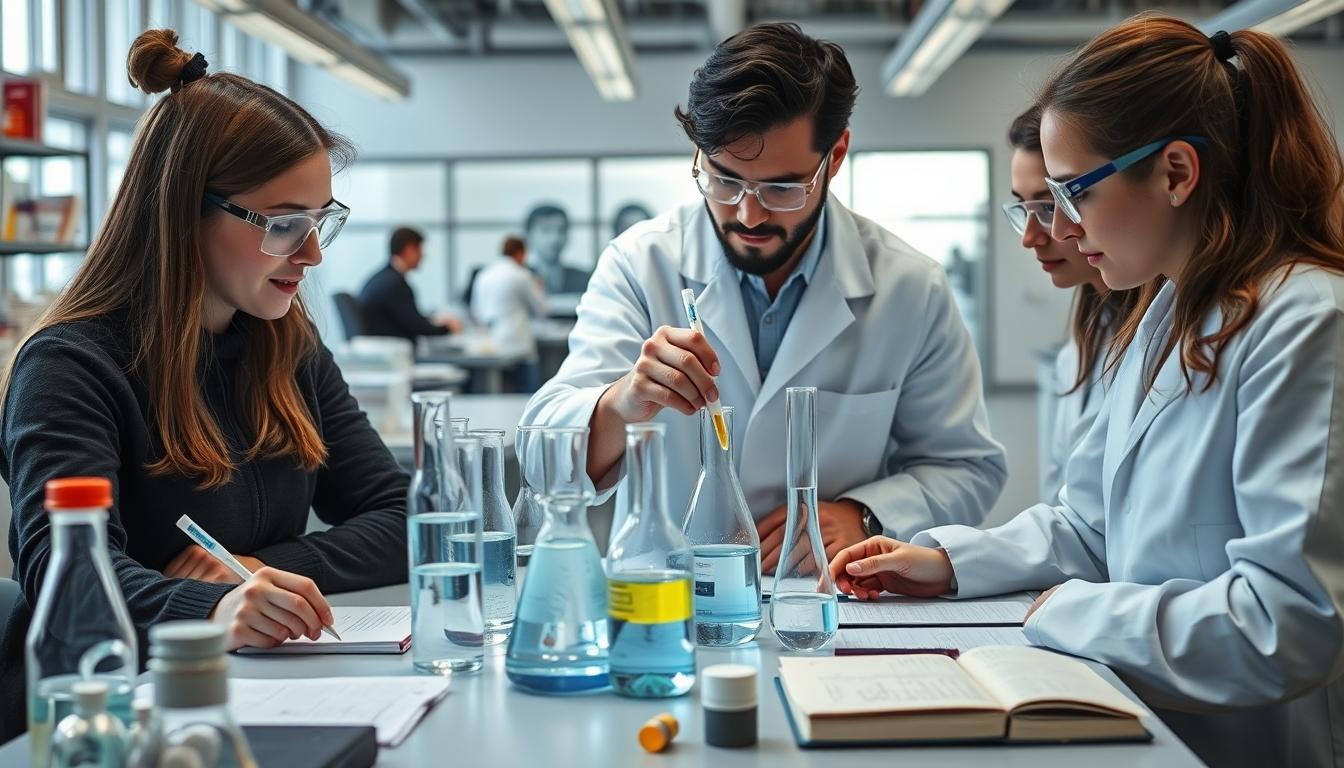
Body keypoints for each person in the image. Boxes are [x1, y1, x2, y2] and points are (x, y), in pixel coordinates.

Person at [829, 16, 1344, 767]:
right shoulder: (1167, 309)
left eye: (1075, 193)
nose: (1062, 229)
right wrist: (950, 565)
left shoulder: (1306, 320)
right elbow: (1089, 525)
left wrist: (1072, 613)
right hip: (1155, 724)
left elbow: (1286, 623)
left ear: (1174, 172)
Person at [0, 30, 411, 739]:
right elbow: (63, 574)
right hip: (123, 714)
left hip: (269, 689)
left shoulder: (288, 344)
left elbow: (402, 515)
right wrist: (213, 607)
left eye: (321, 222)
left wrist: (258, 574)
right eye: (285, 225)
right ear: (186, 210)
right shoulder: (69, 367)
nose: (311, 254)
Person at [521, 22, 1005, 569]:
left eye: (782, 187)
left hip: (833, 600)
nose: (749, 214)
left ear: (836, 155)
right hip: (669, 596)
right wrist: (622, 404)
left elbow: (968, 468)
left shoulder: (910, 287)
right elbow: (542, 456)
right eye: (724, 181)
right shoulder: (641, 264)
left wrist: (864, 514)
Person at [1003, 104, 1142, 504]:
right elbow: (1067, 516)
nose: (1031, 237)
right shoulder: (1078, 348)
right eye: (1023, 208)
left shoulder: (1165, 336)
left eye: (1051, 206)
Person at [471, 235, 547, 392]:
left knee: (496, 391)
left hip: (491, 342)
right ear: (520, 253)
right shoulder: (522, 275)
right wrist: (539, 288)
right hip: (518, 343)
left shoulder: (484, 275)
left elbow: (476, 311)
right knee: (527, 392)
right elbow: (542, 309)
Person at [358, 226, 461, 341]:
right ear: (409, 250)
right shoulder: (393, 284)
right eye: (419, 249)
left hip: (388, 347)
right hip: (394, 351)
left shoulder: (384, 278)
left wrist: (434, 321)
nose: (423, 255)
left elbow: (409, 319)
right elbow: (417, 327)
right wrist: (448, 328)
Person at [525, 204, 590, 294]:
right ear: (529, 235)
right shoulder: (516, 278)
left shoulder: (584, 279)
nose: (554, 238)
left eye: (561, 230)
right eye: (545, 230)